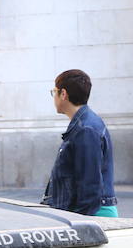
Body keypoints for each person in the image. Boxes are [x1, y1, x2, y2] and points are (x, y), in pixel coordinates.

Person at [42, 69, 118, 217]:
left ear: (63, 94)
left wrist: (79, 222)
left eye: (54, 92)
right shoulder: (84, 125)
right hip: (88, 211)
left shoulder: (85, 129)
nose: (53, 97)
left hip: (93, 215)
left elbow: (90, 186)